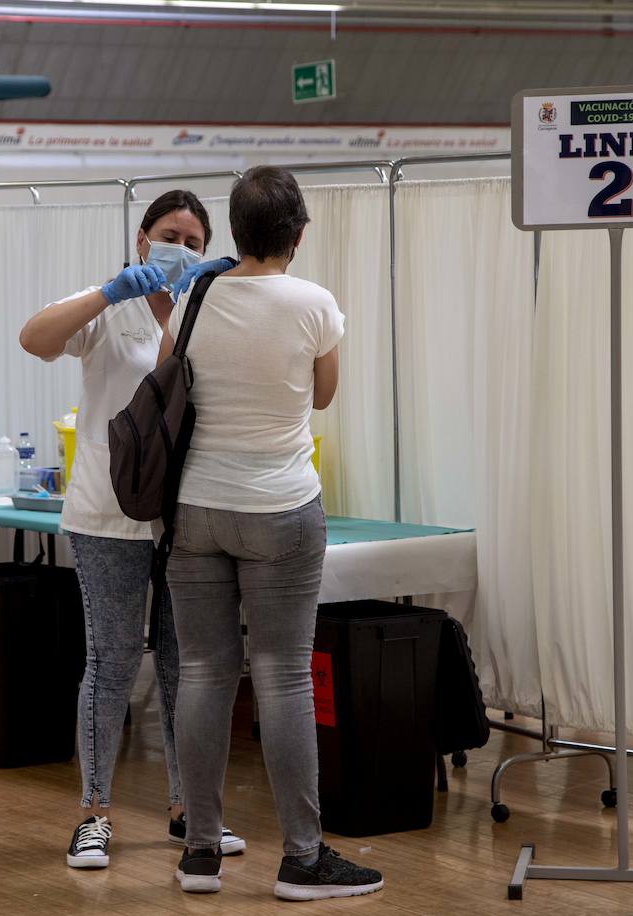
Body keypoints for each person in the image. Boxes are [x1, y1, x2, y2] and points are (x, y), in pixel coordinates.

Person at [159, 167, 382, 900]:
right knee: (282, 673)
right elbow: (323, 394)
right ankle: (303, 857)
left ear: (233, 230)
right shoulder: (313, 303)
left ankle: (199, 853)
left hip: (195, 508)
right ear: (297, 232)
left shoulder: (195, 292)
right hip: (282, 507)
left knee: (202, 672)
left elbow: (166, 378)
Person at [19, 191, 245, 869]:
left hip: (183, 517)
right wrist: (110, 290)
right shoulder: (109, 307)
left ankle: (189, 810)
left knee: (186, 666)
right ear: (142, 240)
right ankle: (94, 813)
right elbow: (36, 338)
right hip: (105, 514)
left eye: (194, 238)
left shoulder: (209, 310)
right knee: (112, 661)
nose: (183, 246)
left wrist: (211, 293)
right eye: (170, 234)